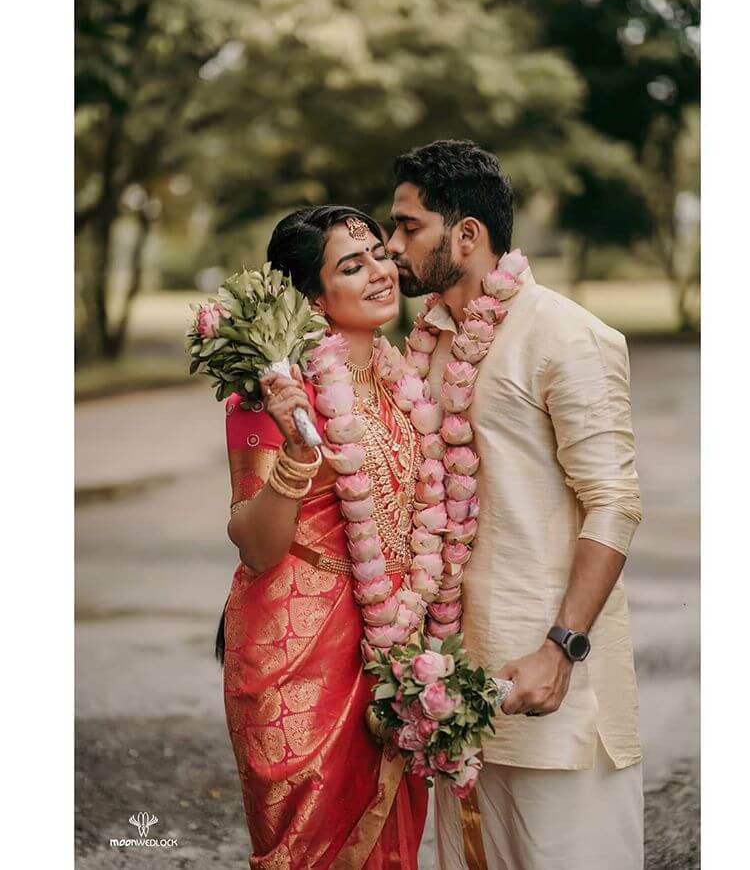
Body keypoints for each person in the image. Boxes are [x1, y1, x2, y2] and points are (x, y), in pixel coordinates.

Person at [387, 140, 644, 870]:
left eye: (408, 227)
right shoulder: (428, 341)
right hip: (452, 686)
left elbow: (615, 502)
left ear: (466, 235)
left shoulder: (568, 335)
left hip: (546, 685)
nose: (391, 245)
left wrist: (563, 648)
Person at [216, 205, 428, 869]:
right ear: (313, 297)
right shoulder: (269, 394)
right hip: (298, 662)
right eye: (351, 264)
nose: (379, 271)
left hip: (396, 647)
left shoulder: (404, 386)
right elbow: (256, 544)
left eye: (378, 253)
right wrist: (297, 454)